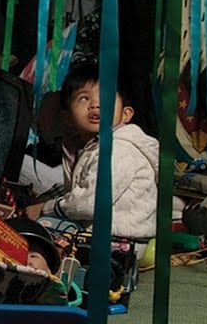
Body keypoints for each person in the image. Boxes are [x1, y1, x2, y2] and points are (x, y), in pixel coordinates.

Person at [22, 62, 159, 253]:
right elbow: (81, 186)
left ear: (126, 115)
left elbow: (90, 202)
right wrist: (48, 199)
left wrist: (46, 207)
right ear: (68, 117)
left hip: (121, 242)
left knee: (40, 230)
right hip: (103, 234)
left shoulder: (119, 149)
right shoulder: (90, 146)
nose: (95, 104)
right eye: (84, 98)